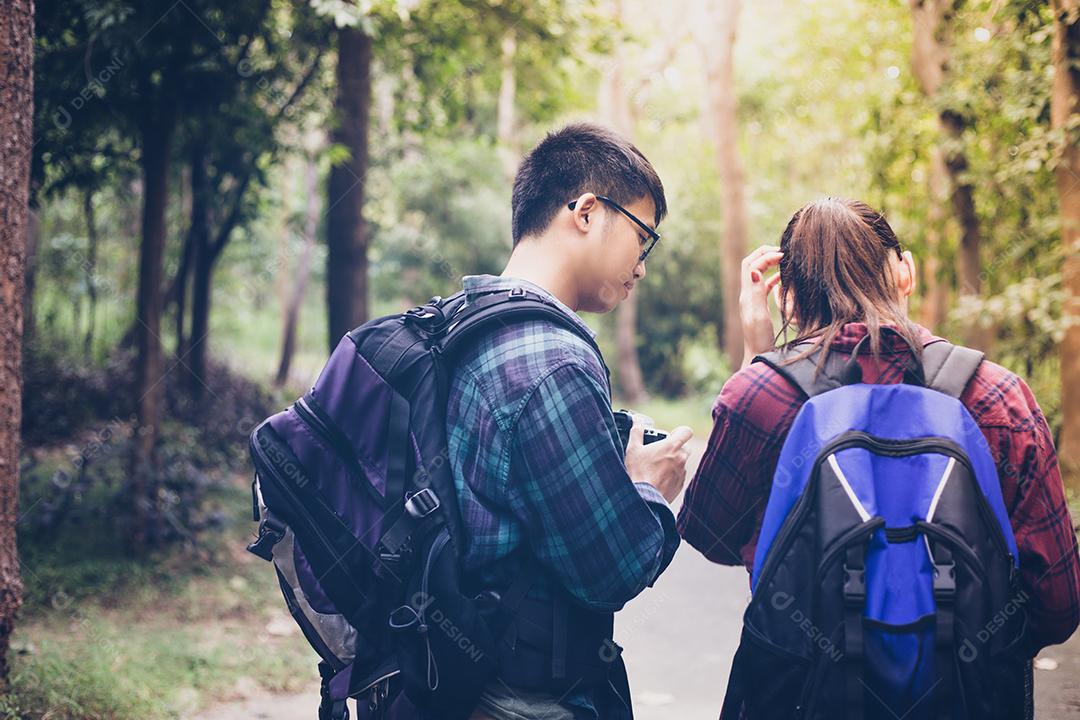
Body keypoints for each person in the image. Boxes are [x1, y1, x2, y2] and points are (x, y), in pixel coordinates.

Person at [678, 197, 1080, 715]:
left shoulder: (759, 396)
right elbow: (1057, 604)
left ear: (790, 302)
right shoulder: (997, 396)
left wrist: (758, 360)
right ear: (905, 273)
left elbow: (710, 535)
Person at [446, 122, 694, 720]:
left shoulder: (463, 318)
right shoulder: (553, 360)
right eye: (643, 236)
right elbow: (609, 571)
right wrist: (647, 490)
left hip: (451, 677)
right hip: (519, 698)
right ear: (585, 211)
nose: (642, 263)